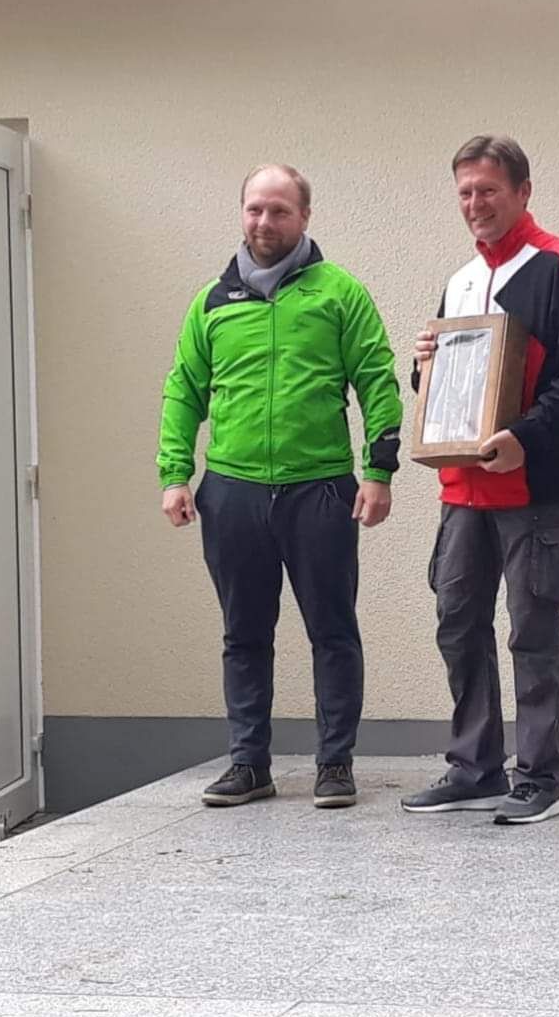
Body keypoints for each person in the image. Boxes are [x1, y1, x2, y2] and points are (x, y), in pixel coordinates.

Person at [157, 164, 402, 810]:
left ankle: (335, 763)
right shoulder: (212, 302)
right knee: (243, 634)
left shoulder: (339, 293)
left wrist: (378, 472)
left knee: (332, 630)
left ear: (304, 217)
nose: (264, 222)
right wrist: (175, 474)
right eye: (254, 209)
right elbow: (184, 390)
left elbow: (377, 380)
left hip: (319, 490)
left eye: (279, 211)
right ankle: (249, 764)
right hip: (231, 491)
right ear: (242, 213)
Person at [402, 136, 559, 825]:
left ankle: (538, 777)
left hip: (533, 490)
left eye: (487, 190)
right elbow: (449, 390)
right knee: (457, 624)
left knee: (532, 632)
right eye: (464, 192)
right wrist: (423, 366)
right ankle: (474, 768)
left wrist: (525, 439)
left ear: (522, 191)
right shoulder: (460, 280)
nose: (475, 203)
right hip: (462, 489)